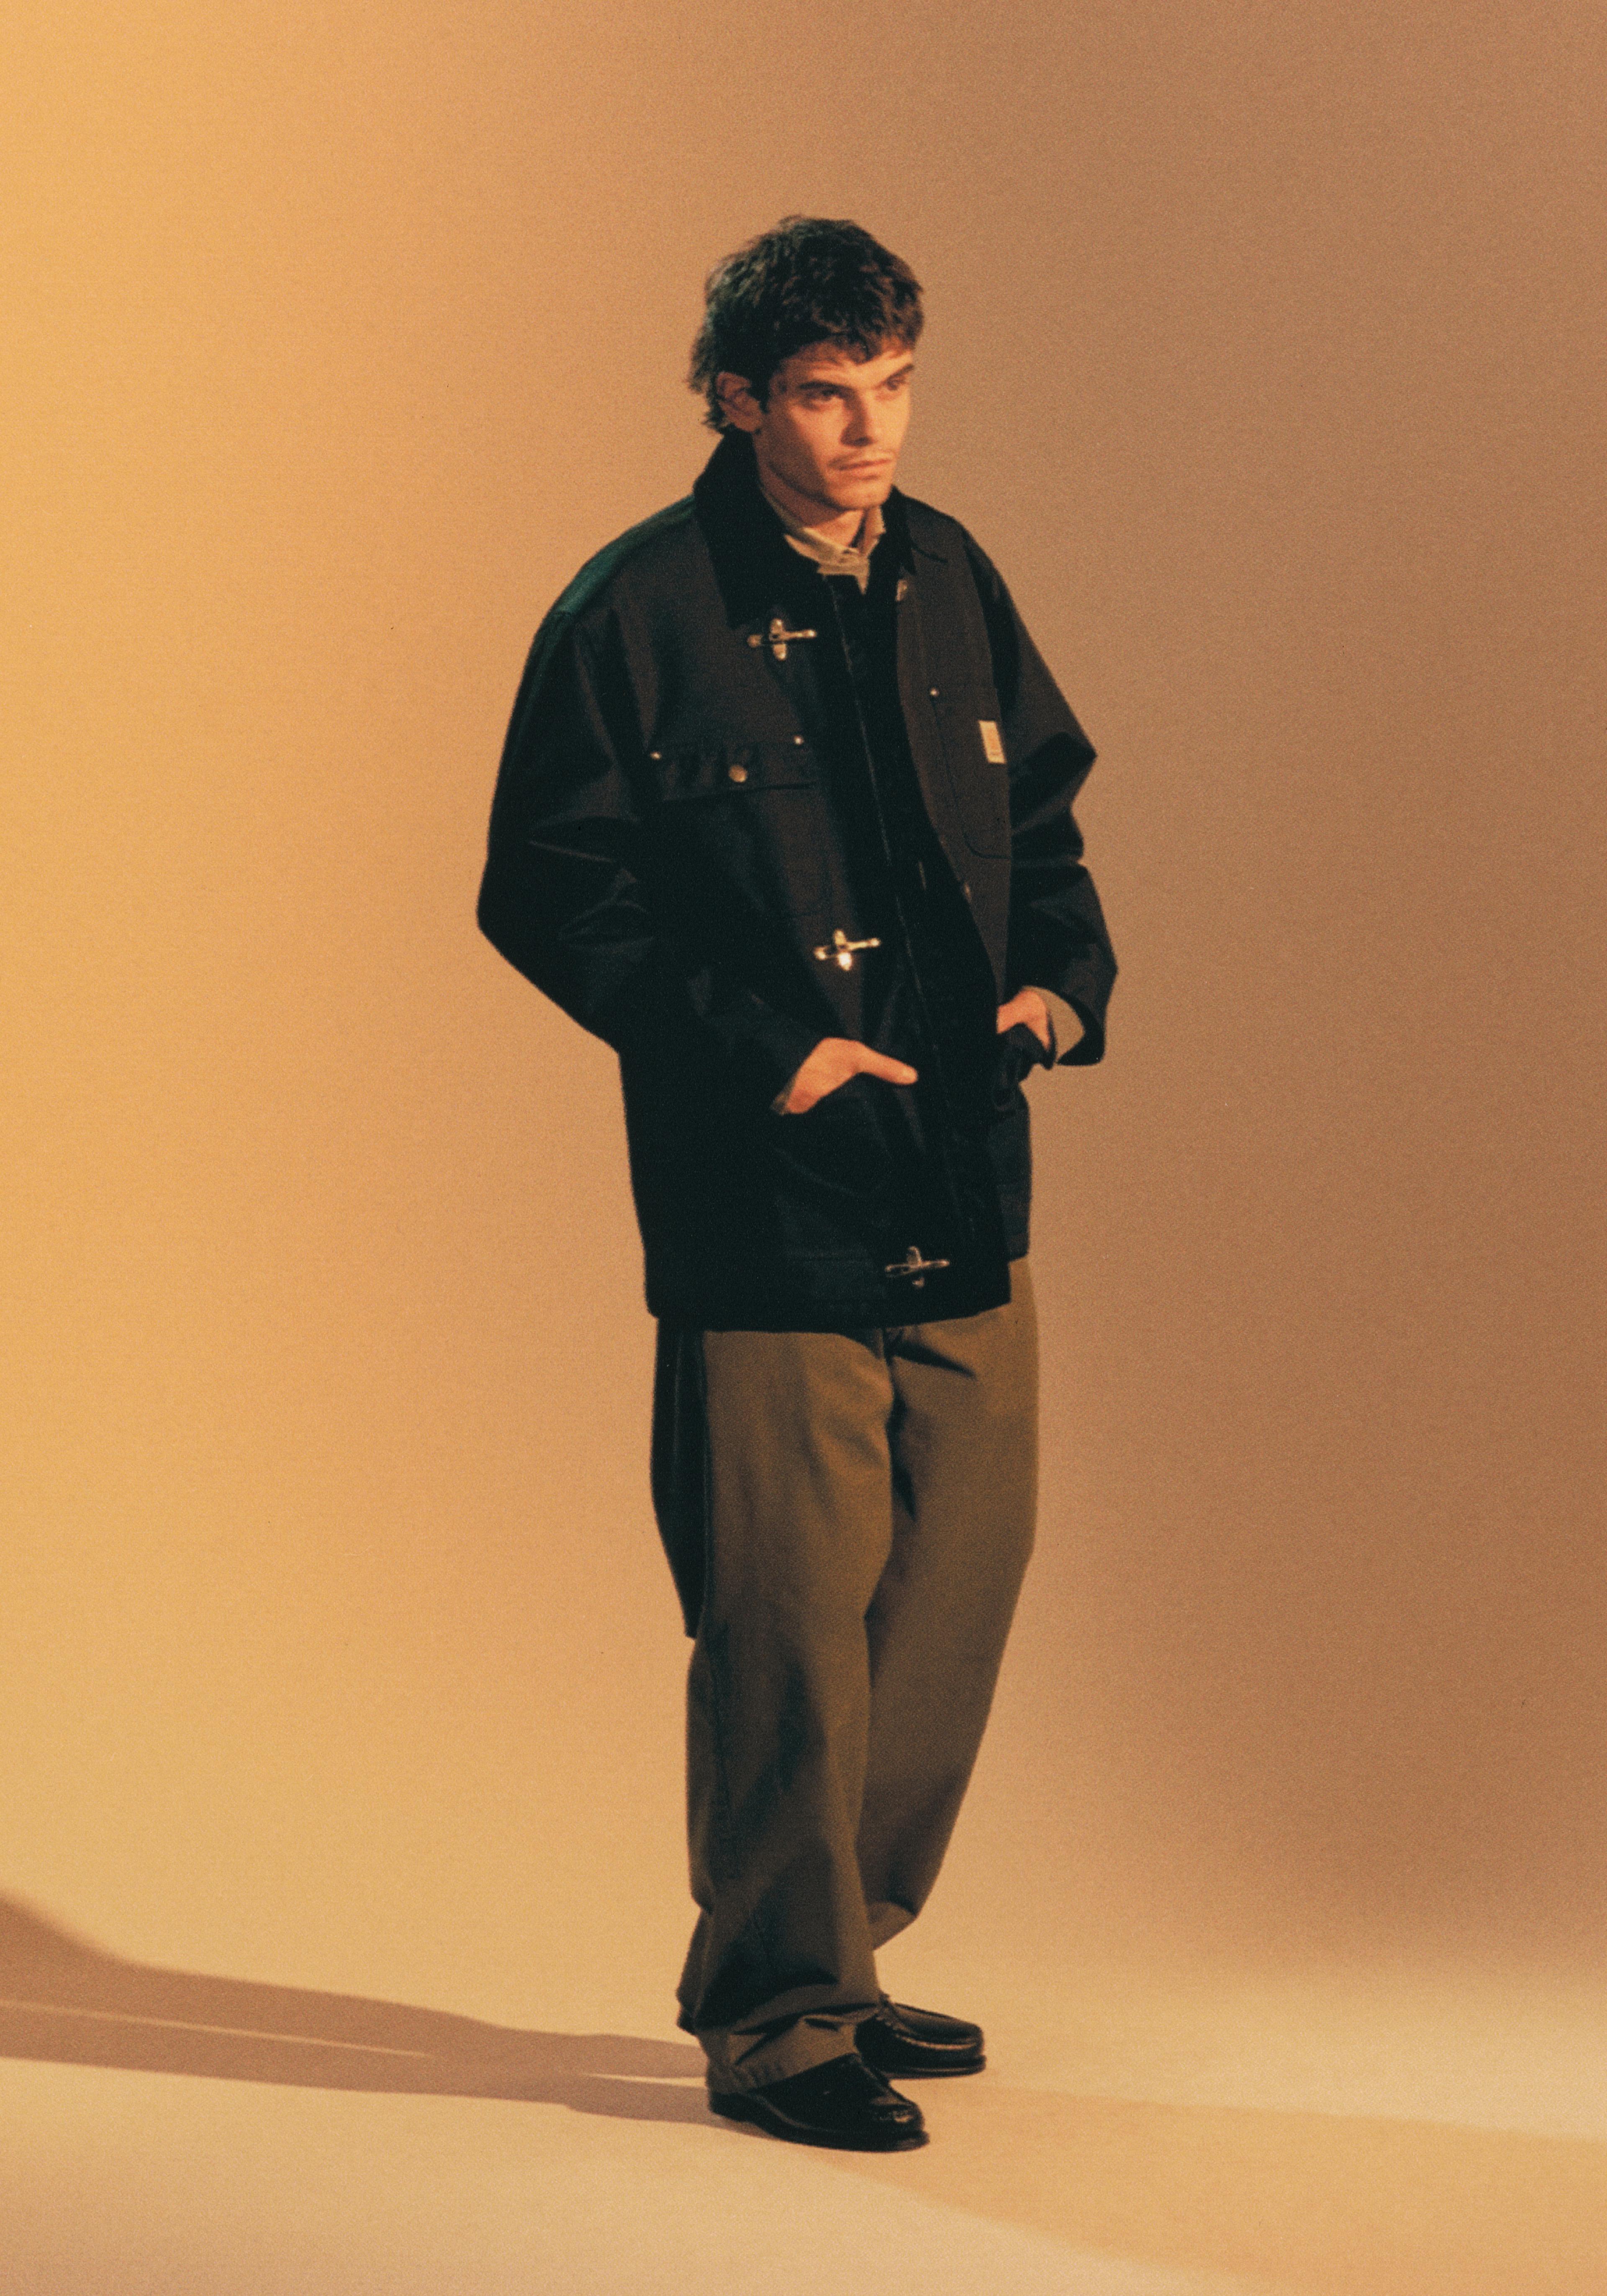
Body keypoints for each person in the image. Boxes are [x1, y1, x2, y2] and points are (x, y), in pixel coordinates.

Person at [478, 216, 1116, 2152]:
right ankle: (776, 2016)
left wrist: (1060, 981)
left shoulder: (949, 574)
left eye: (894, 386)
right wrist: (765, 1048)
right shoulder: (637, 610)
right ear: (739, 397)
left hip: (963, 1167)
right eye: (829, 395)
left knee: (959, 1583)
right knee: (780, 1619)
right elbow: (547, 888)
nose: (870, 431)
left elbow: (1044, 814)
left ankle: (838, 1939)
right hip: (765, 1198)